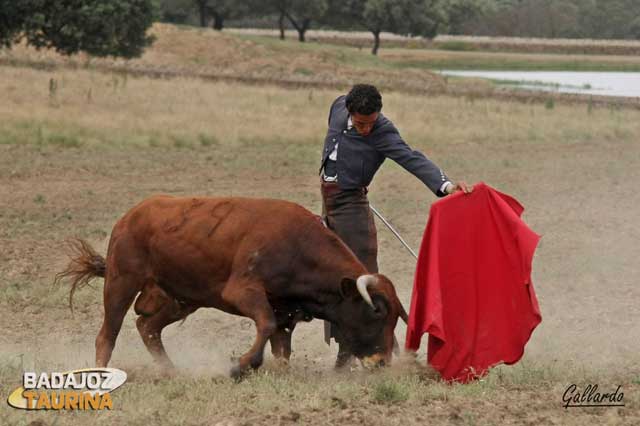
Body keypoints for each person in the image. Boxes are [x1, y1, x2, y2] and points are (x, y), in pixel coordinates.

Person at [319, 84, 472, 368]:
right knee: (335, 278)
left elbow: (412, 158)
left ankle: (387, 351)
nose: (366, 129)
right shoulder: (339, 106)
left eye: (371, 123)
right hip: (328, 204)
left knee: (363, 280)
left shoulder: (383, 131)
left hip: (352, 208)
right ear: (350, 112)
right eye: (361, 123)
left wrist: (446, 185)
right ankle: (346, 348)